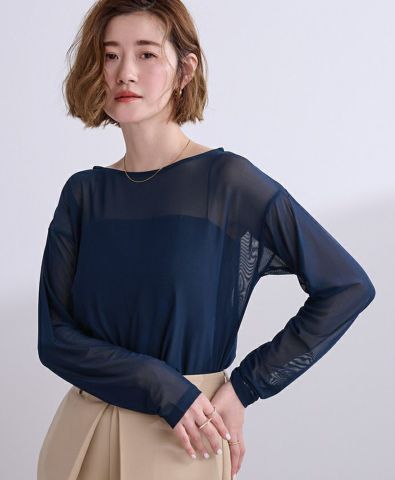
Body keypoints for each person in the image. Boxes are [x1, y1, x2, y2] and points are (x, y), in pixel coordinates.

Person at [36, 1, 376, 480]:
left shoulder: (227, 182)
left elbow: (346, 287)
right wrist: (158, 384)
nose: (125, 72)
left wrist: (245, 387)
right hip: (81, 434)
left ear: (185, 70)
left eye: (147, 54)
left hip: (182, 440)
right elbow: (55, 338)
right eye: (111, 55)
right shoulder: (83, 194)